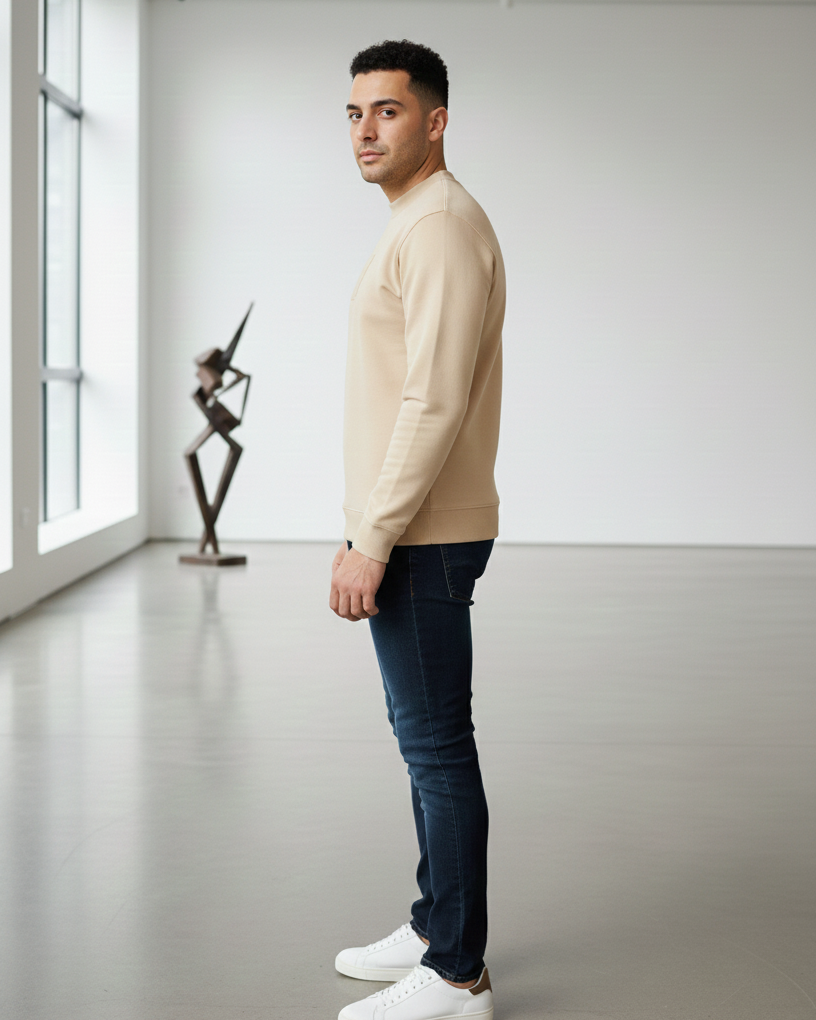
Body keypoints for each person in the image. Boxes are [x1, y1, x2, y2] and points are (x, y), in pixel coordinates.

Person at [329, 38, 505, 1020]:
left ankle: (457, 973)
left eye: (387, 111)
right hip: (414, 527)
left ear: (434, 121)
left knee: (437, 745)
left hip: (423, 532)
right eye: (354, 113)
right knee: (422, 739)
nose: (365, 130)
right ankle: (436, 916)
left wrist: (373, 536)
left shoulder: (435, 227)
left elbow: (432, 402)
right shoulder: (418, 220)